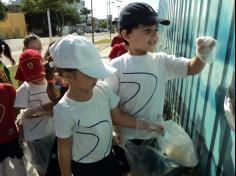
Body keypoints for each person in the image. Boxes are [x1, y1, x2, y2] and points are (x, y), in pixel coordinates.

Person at [104, 2, 217, 174]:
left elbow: (191, 68)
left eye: (156, 30)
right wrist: (121, 128)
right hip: (127, 138)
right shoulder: (116, 67)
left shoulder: (161, 61)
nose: (155, 35)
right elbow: (111, 108)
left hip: (154, 136)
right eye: (147, 31)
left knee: (150, 170)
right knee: (129, 169)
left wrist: (202, 54)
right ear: (126, 34)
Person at [49, 34, 164, 176]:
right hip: (84, 168)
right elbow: (64, 147)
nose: (97, 77)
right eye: (91, 73)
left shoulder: (102, 90)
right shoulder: (63, 110)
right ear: (67, 76)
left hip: (109, 158)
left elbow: (118, 117)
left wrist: (147, 125)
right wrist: (66, 174)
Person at [14, 49, 55, 176]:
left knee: (54, 165)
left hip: (53, 131)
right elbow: (19, 113)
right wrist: (39, 113)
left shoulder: (50, 83)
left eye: (39, 75)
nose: (37, 80)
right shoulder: (24, 89)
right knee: (42, 167)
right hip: (35, 136)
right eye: (33, 77)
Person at [0, 83, 27, 176]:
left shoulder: (7, 89)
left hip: (10, 136)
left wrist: (21, 130)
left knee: (18, 162)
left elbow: (18, 112)